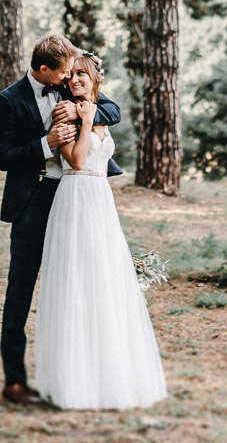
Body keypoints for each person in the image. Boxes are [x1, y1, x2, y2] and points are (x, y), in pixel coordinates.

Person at [0, 32, 122, 404]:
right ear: (45, 69)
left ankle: (81, 371)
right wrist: (44, 145)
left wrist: (86, 111)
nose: (71, 79)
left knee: (79, 285)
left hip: (74, 197)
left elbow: (111, 108)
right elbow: (3, 156)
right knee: (20, 289)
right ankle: (15, 381)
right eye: (64, 73)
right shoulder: (10, 99)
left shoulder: (69, 88)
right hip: (32, 200)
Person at [34, 52, 166, 410]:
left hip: (100, 199)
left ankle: (109, 372)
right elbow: (76, 160)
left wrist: (91, 114)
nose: (75, 80)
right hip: (75, 194)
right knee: (77, 279)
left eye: (83, 75)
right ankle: (73, 380)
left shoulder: (98, 111)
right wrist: (87, 117)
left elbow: (106, 138)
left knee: (104, 279)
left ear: (95, 80)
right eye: (71, 75)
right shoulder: (65, 112)